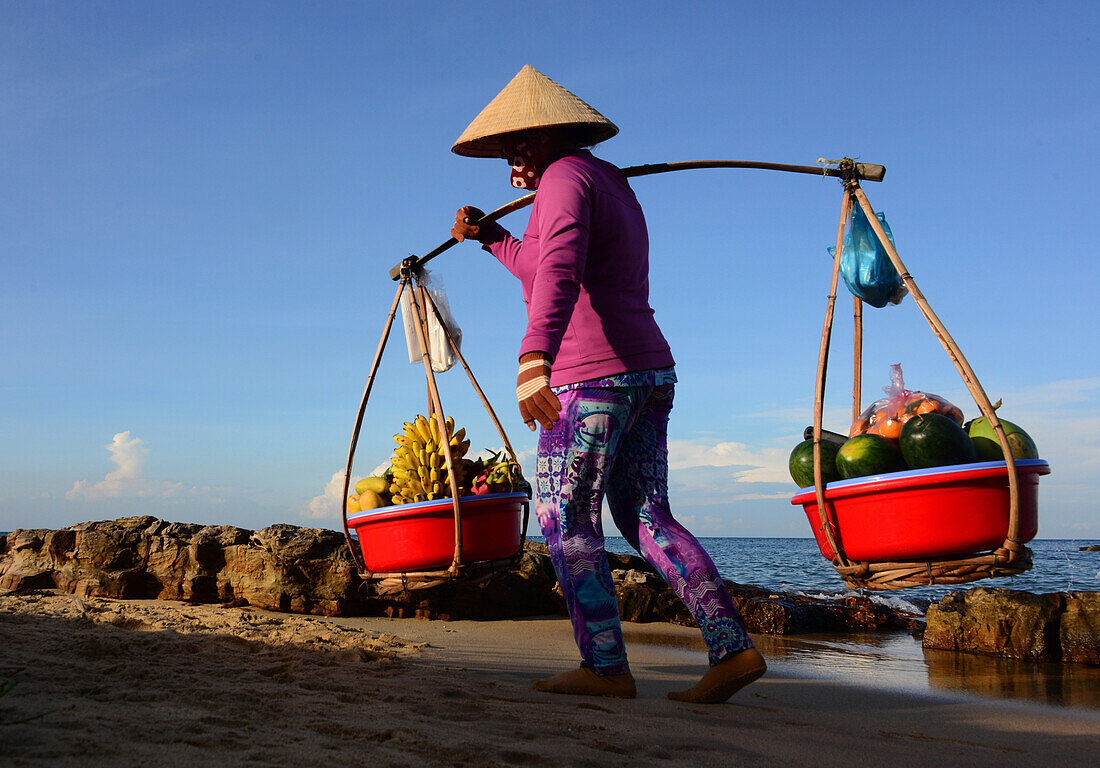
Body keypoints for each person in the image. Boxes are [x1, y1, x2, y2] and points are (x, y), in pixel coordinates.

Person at [449, 65, 766, 704]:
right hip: (648, 371)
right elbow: (540, 265)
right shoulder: (603, 180)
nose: (513, 159)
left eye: (518, 145)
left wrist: (532, 359)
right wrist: (490, 238)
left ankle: (605, 666)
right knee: (646, 515)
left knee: (565, 517)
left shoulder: (564, 180)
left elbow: (561, 269)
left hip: (589, 378)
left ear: (544, 137)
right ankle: (732, 648)